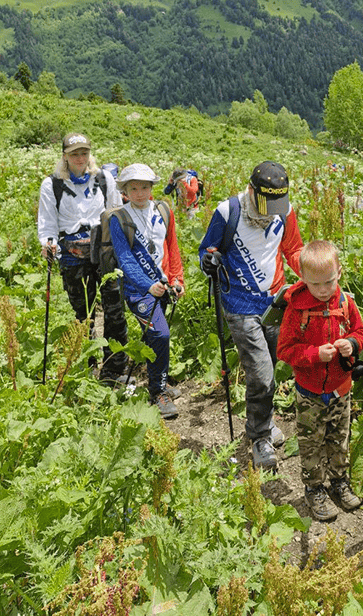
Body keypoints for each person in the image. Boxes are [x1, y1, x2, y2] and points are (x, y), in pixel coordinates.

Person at [199, 160, 303, 470]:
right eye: (266, 202)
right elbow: (207, 249)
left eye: (278, 202)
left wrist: (313, 274)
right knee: (261, 373)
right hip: (239, 305)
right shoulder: (227, 212)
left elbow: (293, 249)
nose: (272, 209)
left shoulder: (284, 212)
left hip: (274, 302)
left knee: (270, 368)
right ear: (251, 191)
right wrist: (209, 261)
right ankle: (259, 437)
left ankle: (265, 421)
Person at [277, 240, 363, 521]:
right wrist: (315, 354)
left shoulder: (345, 302)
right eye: (316, 285)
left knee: (339, 439)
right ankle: (314, 487)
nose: (324, 290)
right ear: (302, 279)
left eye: (329, 281)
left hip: (341, 389)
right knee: (311, 442)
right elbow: (284, 350)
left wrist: (352, 343)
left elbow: (361, 332)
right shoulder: (296, 309)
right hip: (309, 392)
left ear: (339, 271)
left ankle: (339, 482)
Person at [37, 132, 129, 382]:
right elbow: (47, 224)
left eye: (84, 153)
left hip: (104, 249)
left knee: (114, 309)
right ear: (65, 157)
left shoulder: (104, 178)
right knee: (82, 313)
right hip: (72, 253)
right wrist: (49, 246)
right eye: (74, 153)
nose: (80, 158)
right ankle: (86, 365)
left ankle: (114, 368)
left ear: (90, 154)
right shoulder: (52, 185)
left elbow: (116, 212)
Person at [110, 164, 185, 419]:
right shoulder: (118, 218)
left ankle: (159, 381)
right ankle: (157, 392)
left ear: (152, 188)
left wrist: (177, 279)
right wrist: (147, 286)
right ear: (125, 191)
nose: (140, 193)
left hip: (163, 287)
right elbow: (126, 260)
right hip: (138, 292)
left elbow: (172, 248)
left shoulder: (163, 210)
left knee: (156, 336)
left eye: (144, 187)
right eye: (133, 188)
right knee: (160, 334)